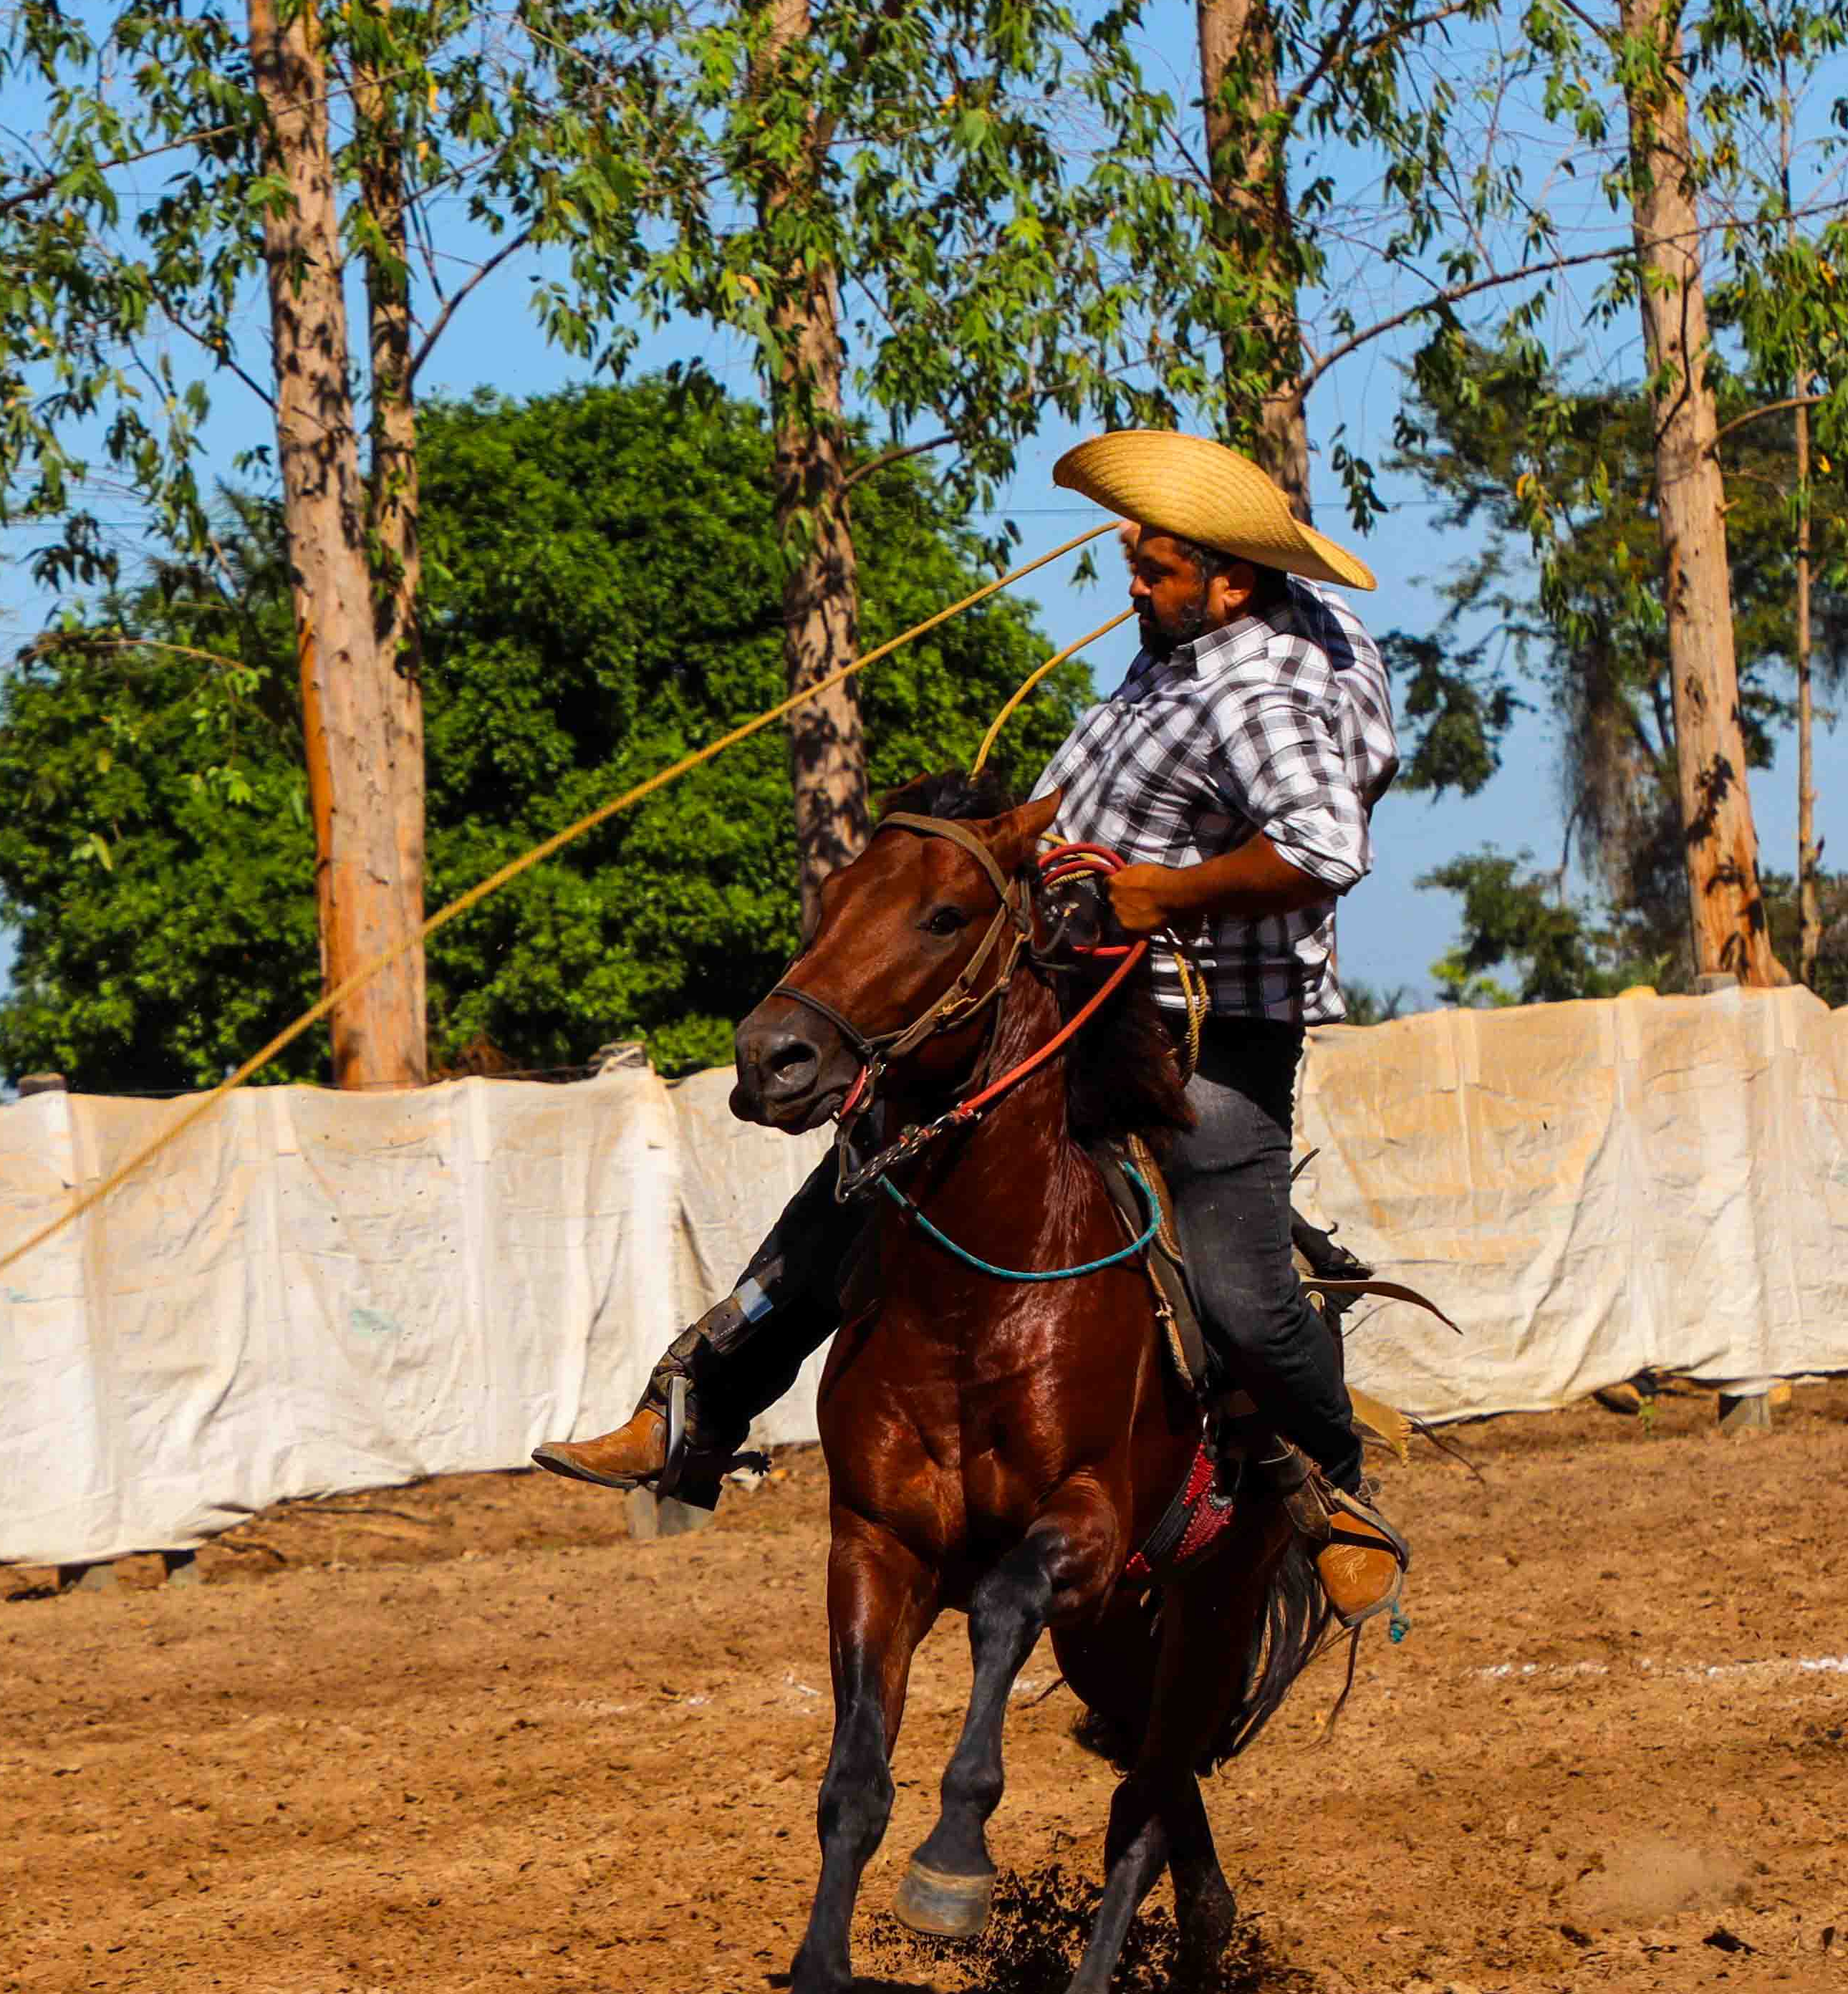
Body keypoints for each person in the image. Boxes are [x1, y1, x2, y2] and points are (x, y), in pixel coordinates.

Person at [533, 428, 1408, 1626]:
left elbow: (1324, 847)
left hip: (1206, 1030)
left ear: (1233, 581)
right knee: (874, 1164)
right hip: (1070, 992)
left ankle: (1332, 1483)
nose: (1131, 584)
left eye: (1154, 568)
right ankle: (694, 1411)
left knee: (1243, 1291)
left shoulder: (1262, 692)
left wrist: (1165, 892)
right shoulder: (1195, 639)